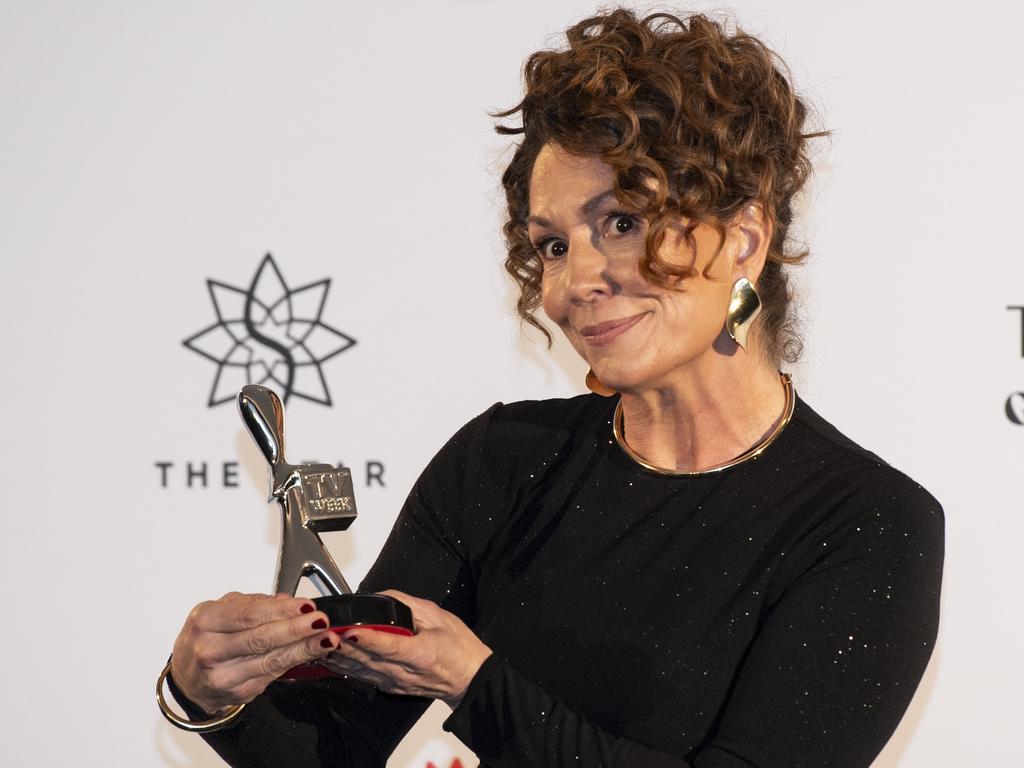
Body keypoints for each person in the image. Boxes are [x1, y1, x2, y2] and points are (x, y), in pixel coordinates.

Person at [159, 8, 945, 767]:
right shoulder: (501, 463)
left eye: (622, 223)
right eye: (553, 245)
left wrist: (475, 684)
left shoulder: (869, 525)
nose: (576, 282)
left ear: (743, 235)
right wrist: (203, 693)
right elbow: (334, 746)